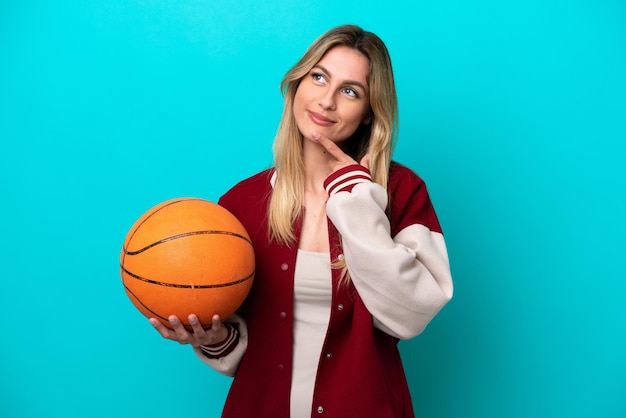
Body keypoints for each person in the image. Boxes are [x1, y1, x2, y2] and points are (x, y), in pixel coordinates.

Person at [149, 24, 453, 418]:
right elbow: (244, 345)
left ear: (367, 114)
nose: (326, 101)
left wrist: (356, 202)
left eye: (350, 91)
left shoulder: (402, 192)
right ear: (296, 85)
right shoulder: (241, 202)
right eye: (319, 77)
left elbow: (413, 314)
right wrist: (214, 337)